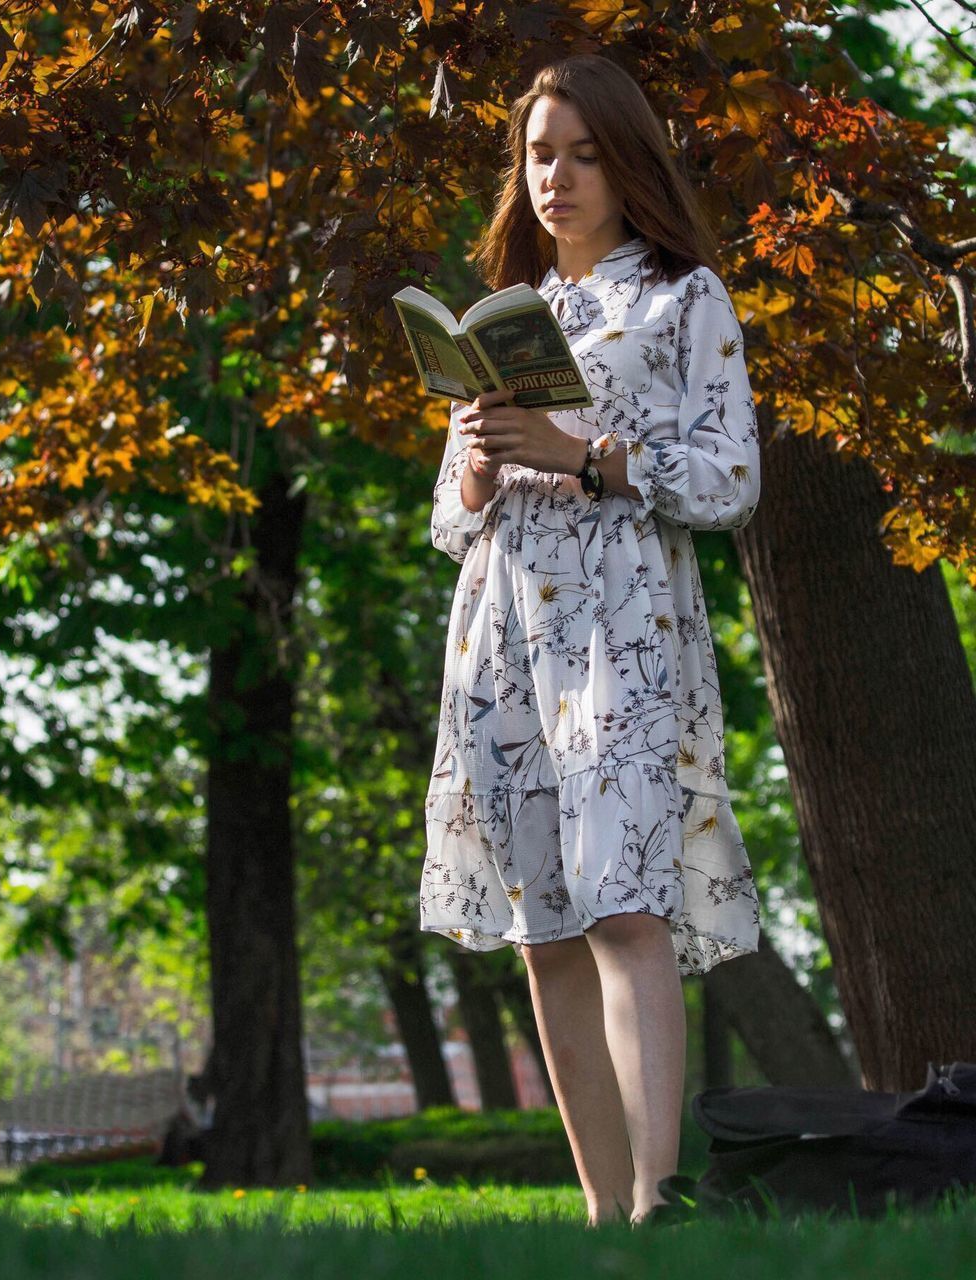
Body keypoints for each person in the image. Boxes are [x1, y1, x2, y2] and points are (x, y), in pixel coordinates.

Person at [418, 52, 762, 1228]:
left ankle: (661, 1194)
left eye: (581, 150)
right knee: (546, 928)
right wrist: (471, 465)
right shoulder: (505, 317)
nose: (555, 175)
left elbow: (729, 481)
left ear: (626, 161)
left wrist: (584, 455)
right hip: (505, 631)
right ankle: (604, 1217)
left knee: (624, 908)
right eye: (536, 154)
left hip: (623, 628)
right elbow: (443, 527)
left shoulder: (682, 297)